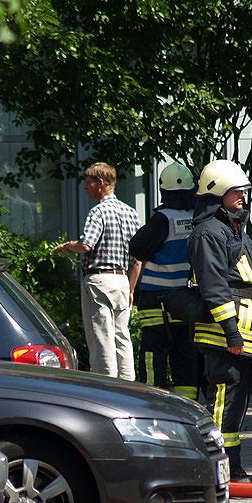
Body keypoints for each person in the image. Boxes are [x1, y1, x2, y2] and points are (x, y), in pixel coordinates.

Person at [188, 160, 252, 483]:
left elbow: (249, 282)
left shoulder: (230, 228)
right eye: (237, 191)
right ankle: (221, 470)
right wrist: (233, 333)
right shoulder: (209, 233)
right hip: (224, 338)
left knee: (234, 404)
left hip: (240, 336)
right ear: (217, 191)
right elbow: (215, 287)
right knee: (223, 404)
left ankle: (231, 469)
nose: (243, 197)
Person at [52, 162, 140, 380]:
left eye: (88, 182)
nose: (85, 187)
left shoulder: (98, 211)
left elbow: (86, 245)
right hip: (122, 280)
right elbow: (138, 260)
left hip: (100, 279)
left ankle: (105, 386)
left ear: (101, 183)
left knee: (102, 338)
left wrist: (66, 247)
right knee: (122, 337)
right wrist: (131, 289)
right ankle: (129, 387)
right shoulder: (131, 213)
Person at [129, 161, 203, 399]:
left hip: (156, 300)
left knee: (154, 353)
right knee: (185, 354)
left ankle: (152, 402)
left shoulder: (162, 219)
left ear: (164, 190)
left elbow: (137, 248)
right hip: (185, 299)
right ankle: (187, 405)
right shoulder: (198, 218)